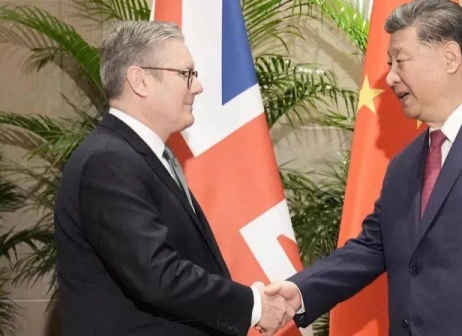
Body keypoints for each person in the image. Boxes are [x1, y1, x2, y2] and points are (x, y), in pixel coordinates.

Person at [265, 1, 462, 335]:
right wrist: (300, 292)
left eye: (399, 61)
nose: (390, 77)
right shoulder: (403, 165)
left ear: (449, 57)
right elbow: (369, 248)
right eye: (389, 63)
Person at [54, 21, 292, 336]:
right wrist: (254, 305)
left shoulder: (142, 156)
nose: (198, 86)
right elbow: (158, 276)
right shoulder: (109, 162)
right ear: (140, 80)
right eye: (186, 74)